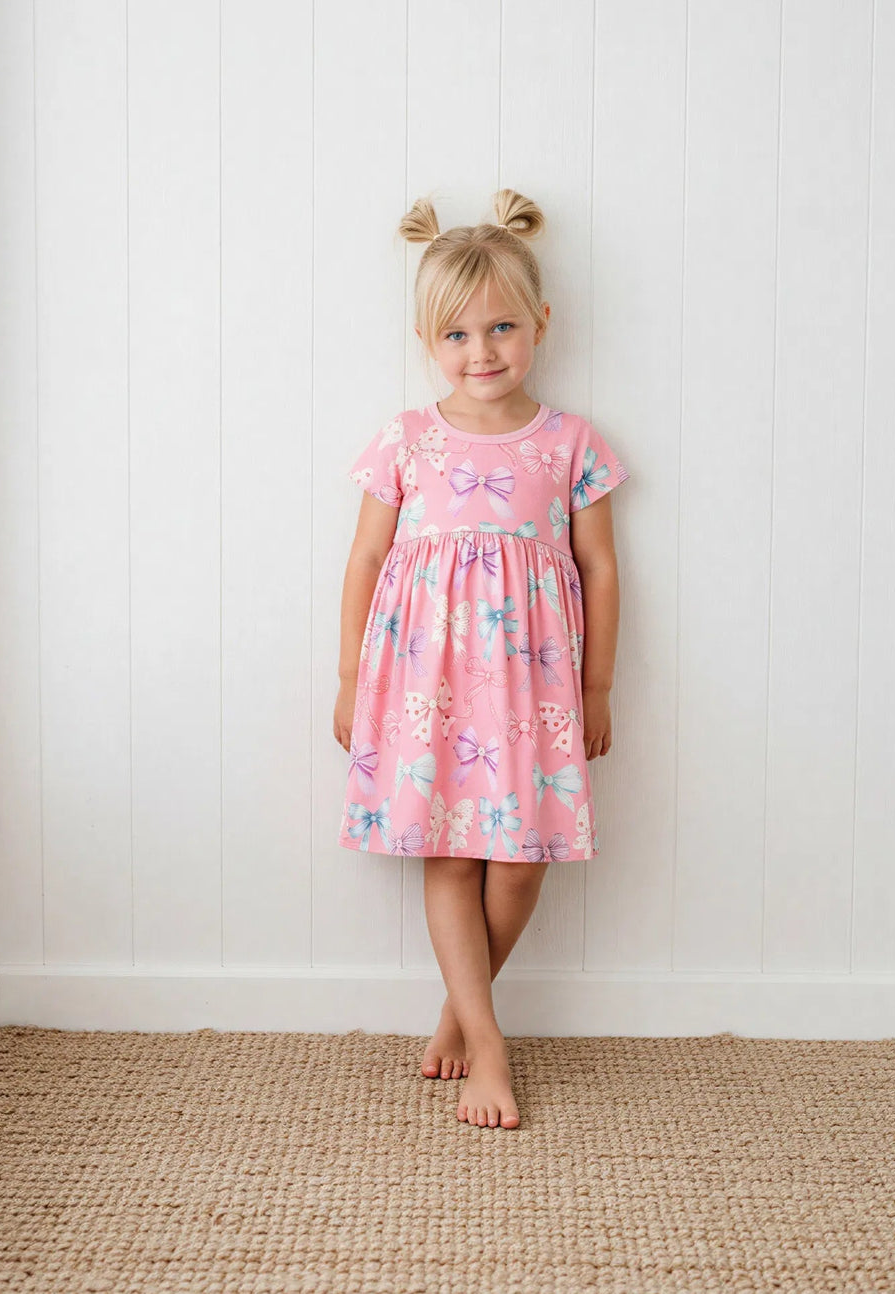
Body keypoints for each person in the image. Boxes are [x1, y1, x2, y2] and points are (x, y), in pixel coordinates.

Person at [333, 188, 629, 1129]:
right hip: (425, 690)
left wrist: (597, 687)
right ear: (429, 341)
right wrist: (349, 679)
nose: (483, 351)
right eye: (457, 335)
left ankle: (459, 1011)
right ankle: (490, 1042)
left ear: (541, 322)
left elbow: (601, 569)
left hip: (534, 692)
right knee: (451, 858)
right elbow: (368, 559)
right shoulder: (407, 441)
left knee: (520, 863)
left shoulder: (570, 444)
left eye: (502, 327)